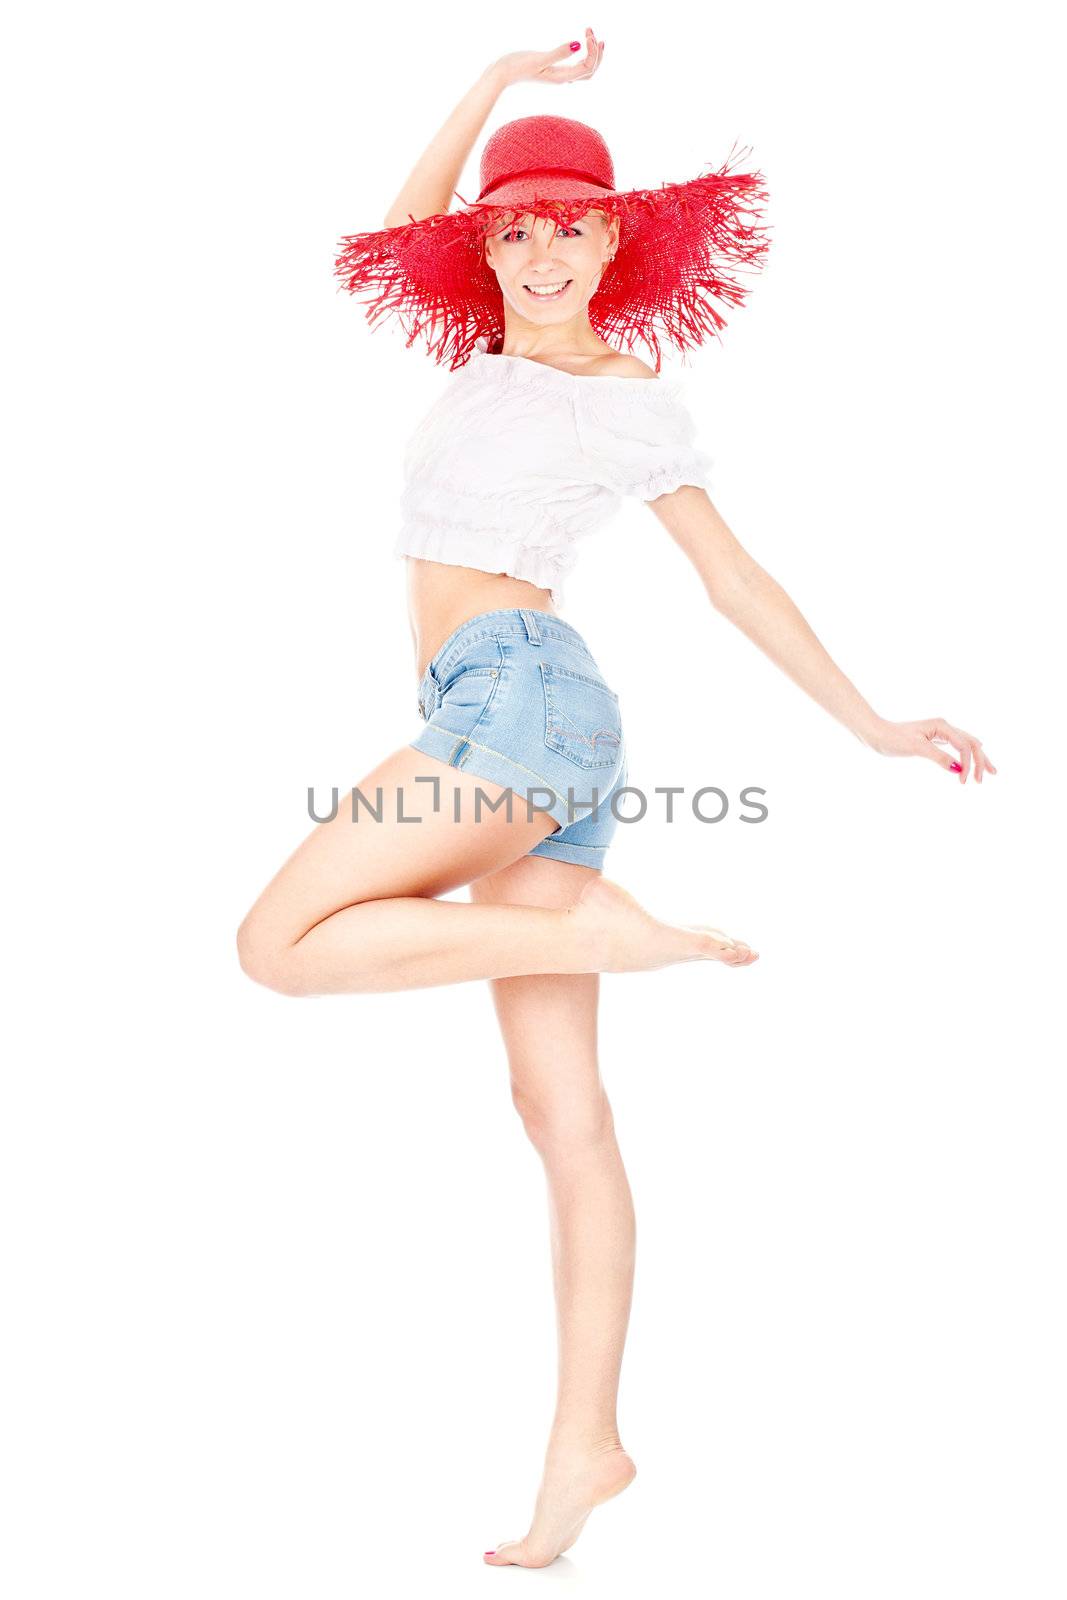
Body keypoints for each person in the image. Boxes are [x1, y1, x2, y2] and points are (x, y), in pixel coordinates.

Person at [236, 29, 997, 1569]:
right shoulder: (484, 359)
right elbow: (396, 227)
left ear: (614, 239)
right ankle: (587, 1445)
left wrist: (872, 725)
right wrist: (501, 78)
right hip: (520, 723)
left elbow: (732, 579)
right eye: (508, 225)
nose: (535, 248)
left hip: (521, 698)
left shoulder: (624, 391)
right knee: (561, 1113)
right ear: (491, 245)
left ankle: (605, 931)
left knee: (278, 944)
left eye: (568, 223)